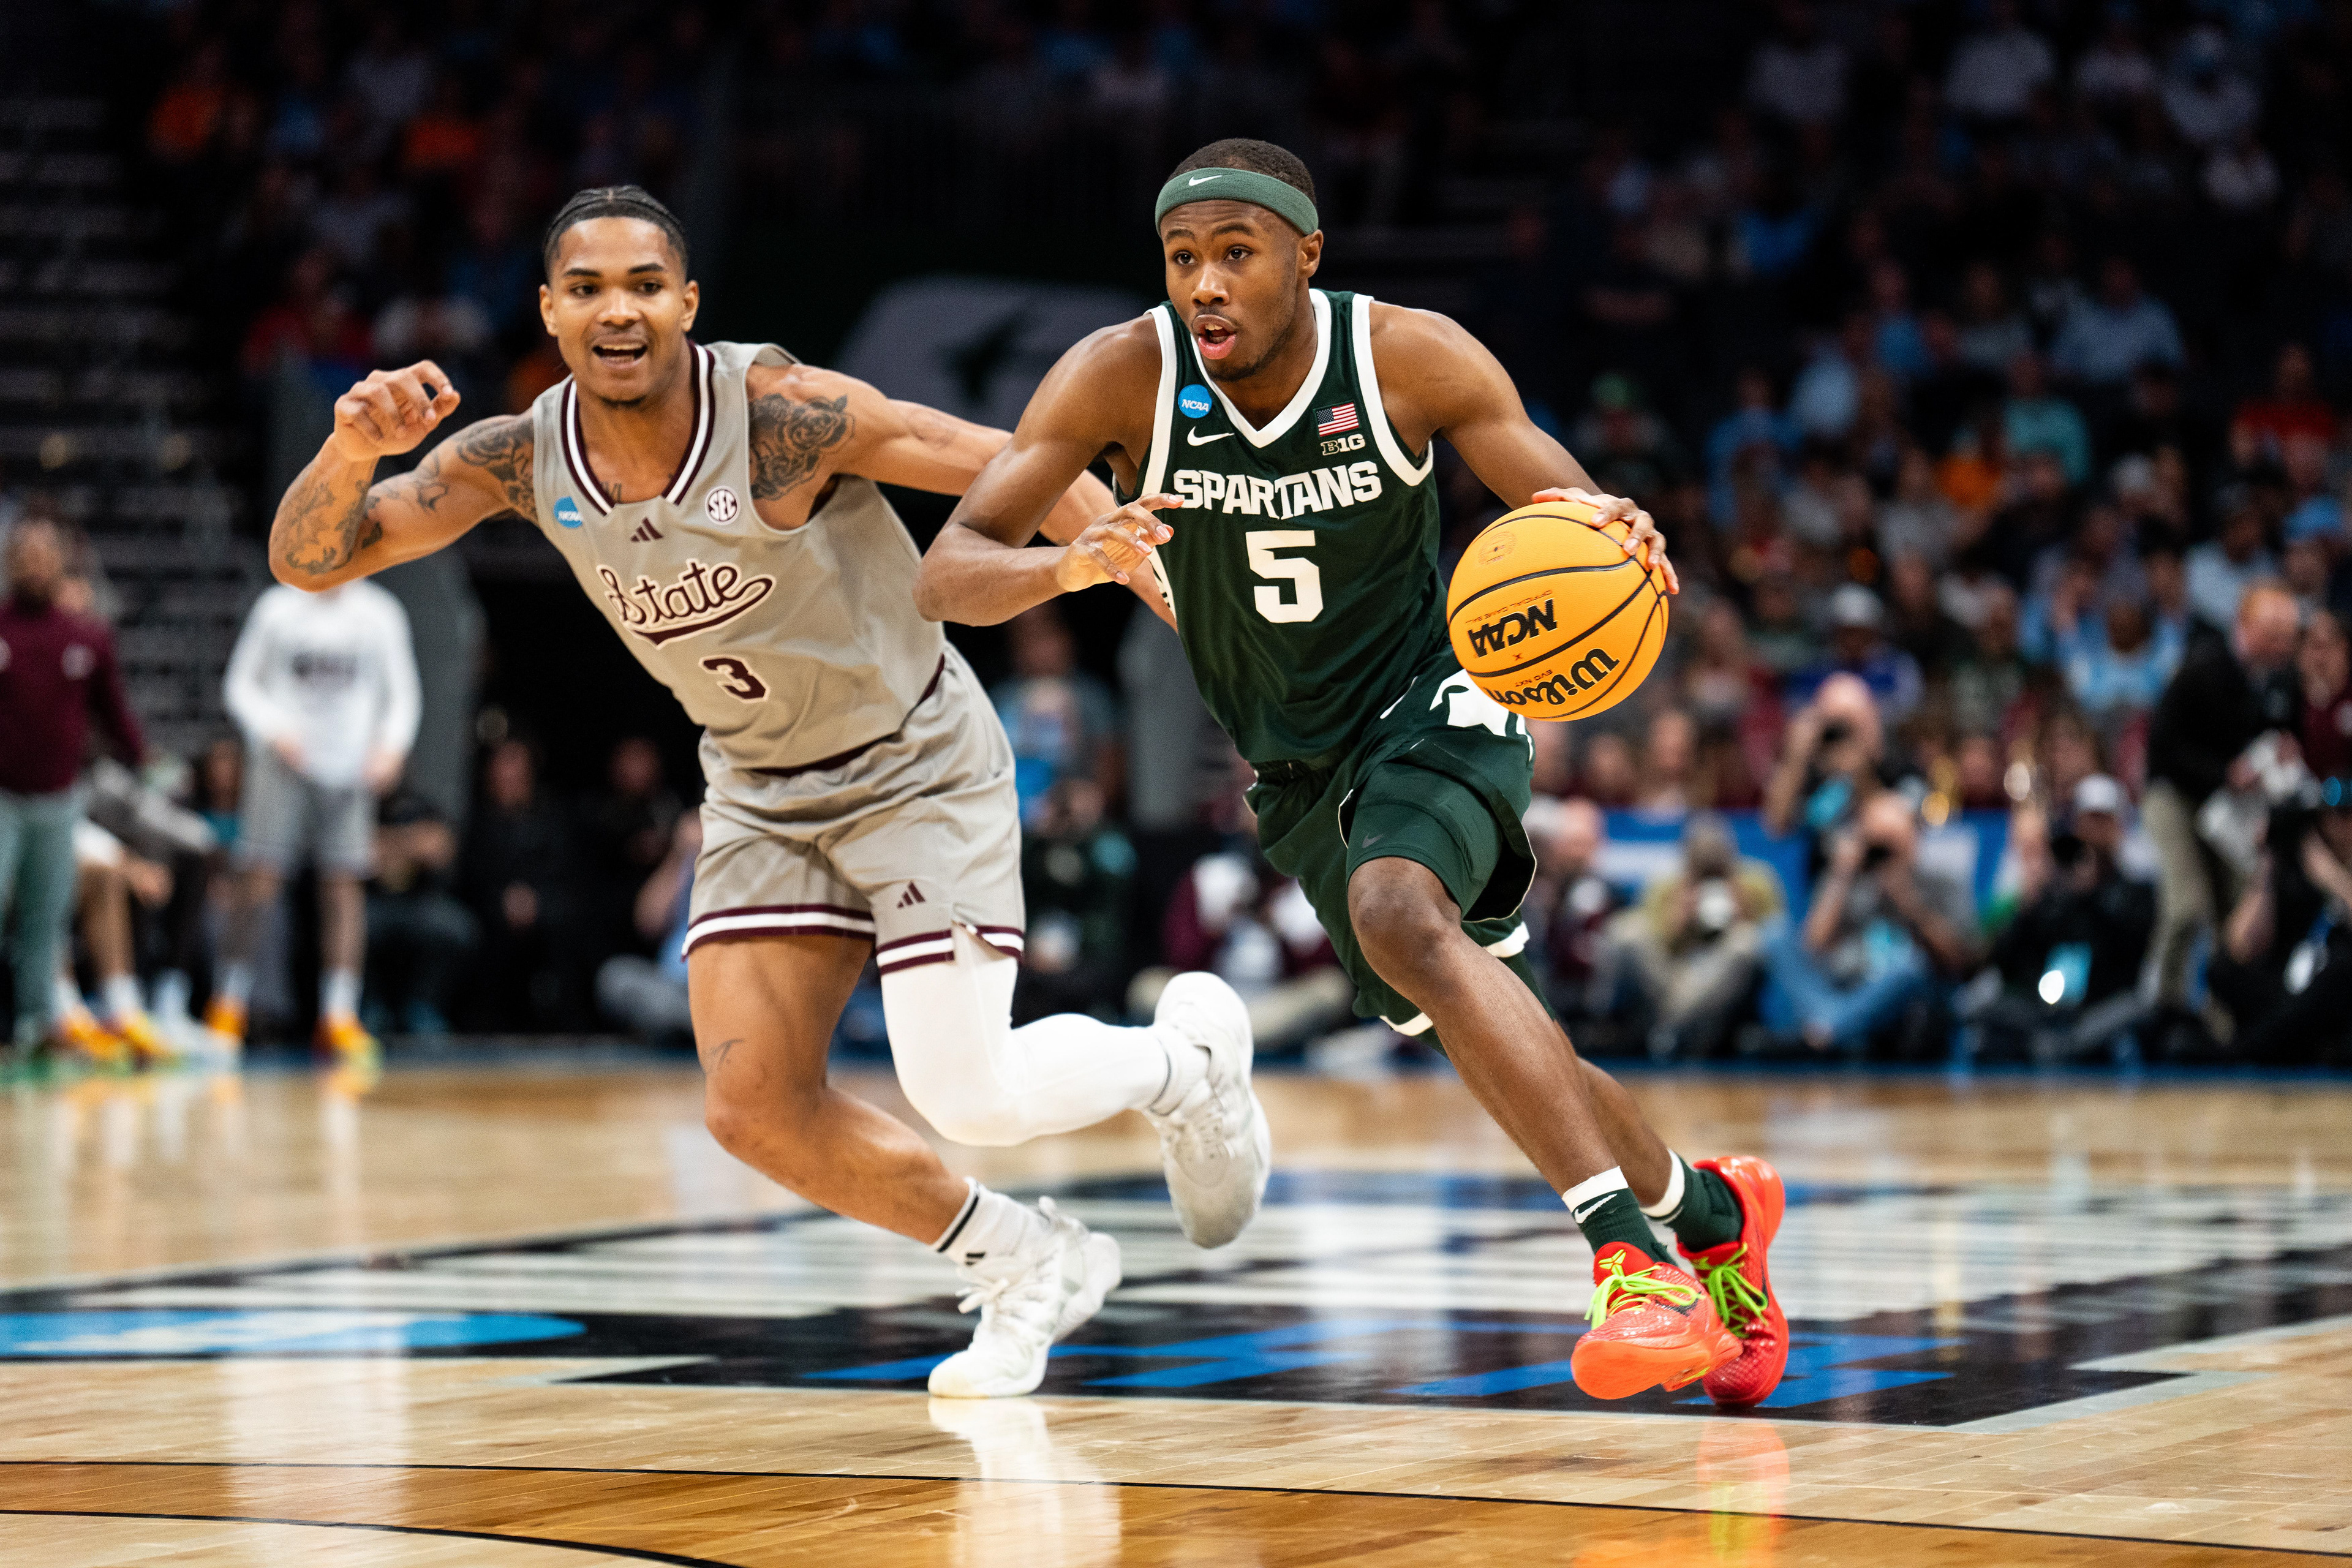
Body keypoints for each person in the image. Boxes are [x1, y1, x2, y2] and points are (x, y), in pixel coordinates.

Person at [263, 184, 1266, 1400]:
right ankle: (1027, 1260)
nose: (617, 310)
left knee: (972, 1093)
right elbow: (313, 559)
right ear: (549, 311)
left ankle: (1188, 1066)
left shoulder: (783, 416)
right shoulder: (526, 456)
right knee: (753, 1108)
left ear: (688, 302)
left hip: (913, 759)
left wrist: (1144, 576)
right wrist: (352, 446)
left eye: (644, 284)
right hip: (757, 783)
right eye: (586, 288)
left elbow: (1010, 464)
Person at [918, 138, 1786, 1408]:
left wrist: (1617, 527)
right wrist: (1068, 565)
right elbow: (949, 566)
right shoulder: (1118, 377)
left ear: (1307, 257)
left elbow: (1570, 510)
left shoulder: (1407, 357)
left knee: (1398, 910)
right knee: (1498, 1027)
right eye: (1180, 258)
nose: (1203, 283)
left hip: (1439, 696)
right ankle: (1715, 1216)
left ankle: (1630, 1262)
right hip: (1295, 770)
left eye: (1234, 254)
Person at [210, 570, 420, 1063]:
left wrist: (390, 748)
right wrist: (274, 730)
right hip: (283, 764)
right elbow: (240, 685)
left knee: (344, 886)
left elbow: (403, 694)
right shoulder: (278, 608)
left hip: (349, 769)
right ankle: (228, 1005)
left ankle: (339, 1015)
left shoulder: (380, 613)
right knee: (258, 881)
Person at [0, 521, 145, 1058]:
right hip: (3, 798)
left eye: (45, 555)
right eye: (25, 554)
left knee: (47, 915)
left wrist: (144, 760)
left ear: (61, 563)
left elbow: (115, 713)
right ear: (11, 562)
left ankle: (39, 1023)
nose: (35, 564)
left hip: (60, 798)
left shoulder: (86, 636)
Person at [2143, 584, 2304, 1023]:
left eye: (2288, 635)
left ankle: (2222, 1020)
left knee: (2234, 910)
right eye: (2273, 633)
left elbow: (2276, 734)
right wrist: (2223, 774)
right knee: (2186, 905)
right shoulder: (2203, 666)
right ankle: (2161, 1009)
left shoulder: (2280, 679)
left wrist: (2285, 749)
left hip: (2230, 808)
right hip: (2176, 796)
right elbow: (2162, 747)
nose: (2282, 645)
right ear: (2245, 626)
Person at [1764, 790, 1981, 1052]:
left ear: (1914, 838)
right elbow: (1812, 947)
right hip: (1846, 986)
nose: (1884, 856)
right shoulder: (1849, 878)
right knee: (1775, 934)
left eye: (1892, 845)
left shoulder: (1942, 883)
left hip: (1905, 999)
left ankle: (1828, 1029)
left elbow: (1962, 961)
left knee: (1911, 966)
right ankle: (1833, 1025)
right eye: (1877, 844)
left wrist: (1908, 904)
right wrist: (1841, 876)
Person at [1970, 775, 2155, 1058]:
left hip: (2104, 1006)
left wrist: (2091, 895)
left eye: (2103, 820)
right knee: (1981, 1008)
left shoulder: (2137, 891)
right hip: (2048, 1009)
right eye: (2089, 820)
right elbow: (2006, 960)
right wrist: (2031, 900)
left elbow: (2130, 952)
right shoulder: (2054, 889)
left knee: (2132, 1013)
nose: (2095, 831)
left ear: (2119, 826)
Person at [1613, 813, 1784, 1058]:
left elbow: (1782, 946)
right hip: (1674, 974)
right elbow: (1651, 948)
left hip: (1729, 985)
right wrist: (1677, 924)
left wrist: (1745, 914)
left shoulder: (1757, 881)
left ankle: (1667, 1033)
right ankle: (1677, 1029)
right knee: (1628, 930)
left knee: (1745, 942)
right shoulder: (1666, 885)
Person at [2213, 776, 2352, 1062]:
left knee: (2339, 972)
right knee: (2222, 969)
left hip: (2336, 993)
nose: (2341, 825)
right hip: (2293, 986)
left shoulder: (2326, 870)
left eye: (2348, 814)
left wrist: (2330, 875)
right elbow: (2241, 944)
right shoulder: (2296, 865)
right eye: (2333, 815)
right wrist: (2266, 865)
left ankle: (2237, 1055)